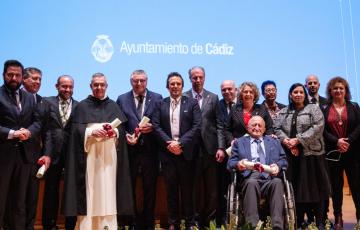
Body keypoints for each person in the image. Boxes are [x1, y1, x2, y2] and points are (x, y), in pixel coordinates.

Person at [63, 73, 134, 229]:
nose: (99, 87)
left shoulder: (114, 106)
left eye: (102, 84)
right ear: (91, 86)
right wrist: (90, 132)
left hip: (109, 159)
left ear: (106, 86)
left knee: (109, 193)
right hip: (89, 159)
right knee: (90, 193)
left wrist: (114, 133)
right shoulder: (81, 106)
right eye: (96, 85)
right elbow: (74, 132)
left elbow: (121, 132)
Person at [274, 83, 330, 229]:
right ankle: (298, 221)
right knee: (296, 190)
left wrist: (298, 140)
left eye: (301, 92)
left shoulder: (313, 109)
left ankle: (319, 221)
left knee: (316, 190)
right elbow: (277, 128)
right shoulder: (284, 111)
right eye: (295, 92)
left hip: (312, 155)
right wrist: (286, 141)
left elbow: (318, 127)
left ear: (305, 95)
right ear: (290, 95)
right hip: (291, 156)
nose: (298, 94)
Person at [152, 72, 201, 230]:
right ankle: (173, 223)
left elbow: (197, 126)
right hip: (167, 155)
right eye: (172, 84)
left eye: (178, 84)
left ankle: (190, 223)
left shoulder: (192, 103)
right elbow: (156, 125)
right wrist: (170, 144)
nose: (175, 86)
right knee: (170, 191)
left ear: (182, 86)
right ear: (167, 86)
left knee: (188, 191)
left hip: (186, 154)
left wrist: (180, 144)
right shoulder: (160, 103)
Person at [116, 70, 162, 230]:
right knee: (130, 187)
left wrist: (154, 128)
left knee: (150, 188)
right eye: (136, 81)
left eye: (142, 81)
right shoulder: (122, 99)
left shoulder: (157, 98)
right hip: (130, 151)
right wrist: (127, 136)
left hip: (151, 151)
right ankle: (133, 221)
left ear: (147, 81)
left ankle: (148, 222)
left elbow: (161, 123)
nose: (139, 84)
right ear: (131, 82)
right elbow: (119, 125)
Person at [0, 60, 41, 230]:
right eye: (10, 75)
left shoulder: (29, 97)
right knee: (1, 199)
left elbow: (38, 122)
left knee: (19, 202)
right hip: (3, 156)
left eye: (17, 75)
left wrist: (30, 131)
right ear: (4, 75)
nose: (14, 78)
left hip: (25, 157)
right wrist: (12, 133)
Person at [183, 66, 226, 228]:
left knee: (212, 190)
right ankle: (193, 221)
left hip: (211, 150)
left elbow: (220, 124)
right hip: (190, 150)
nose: (198, 80)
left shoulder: (213, 97)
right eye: (194, 77)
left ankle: (208, 222)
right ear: (190, 79)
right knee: (193, 189)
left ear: (205, 78)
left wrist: (221, 148)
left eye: (200, 77)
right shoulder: (184, 96)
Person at [227, 116, 287, 229]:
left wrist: (278, 166)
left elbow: (283, 160)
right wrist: (238, 164)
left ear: (264, 129)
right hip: (250, 177)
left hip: (269, 177)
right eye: (254, 125)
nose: (257, 127)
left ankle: (277, 226)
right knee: (251, 183)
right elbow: (230, 163)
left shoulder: (274, 141)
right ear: (248, 128)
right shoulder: (239, 142)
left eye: (260, 125)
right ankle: (252, 226)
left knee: (278, 183)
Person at [322, 76, 360, 228]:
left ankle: (359, 216)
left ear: (345, 91)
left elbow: (359, 126)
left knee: (357, 186)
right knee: (336, 187)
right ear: (330, 91)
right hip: (333, 153)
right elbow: (323, 130)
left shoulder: (354, 106)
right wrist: (337, 141)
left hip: (353, 153)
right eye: (335, 88)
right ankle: (338, 217)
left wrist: (348, 140)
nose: (338, 90)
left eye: (341, 88)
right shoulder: (324, 108)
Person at [42, 75, 78, 230]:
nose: (67, 90)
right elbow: (44, 129)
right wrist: (46, 153)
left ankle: (71, 225)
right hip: (52, 153)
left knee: (71, 191)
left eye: (70, 87)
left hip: (72, 155)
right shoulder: (47, 102)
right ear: (57, 86)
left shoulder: (79, 105)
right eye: (64, 86)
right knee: (51, 190)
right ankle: (48, 224)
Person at [22, 67, 51, 230]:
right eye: (34, 78)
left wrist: (47, 154)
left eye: (39, 79)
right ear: (23, 80)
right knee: (15, 199)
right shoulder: (14, 99)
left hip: (35, 158)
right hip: (14, 156)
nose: (38, 82)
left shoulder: (42, 102)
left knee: (32, 199)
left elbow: (47, 132)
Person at [225, 81, 273, 147]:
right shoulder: (234, 109)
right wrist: (231, 140)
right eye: (245, 92)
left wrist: (268, 139)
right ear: (241, 94)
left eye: (251, 92)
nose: (248, 94)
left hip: (259, 145)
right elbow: (227, 129)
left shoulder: (262, 108)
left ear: (255, 95)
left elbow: (269, 128)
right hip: (239, 146)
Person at [216, 80, 237, 227]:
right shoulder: (219, 105)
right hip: (226, 151)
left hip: (244, 151)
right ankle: (223, 220)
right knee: (223, 186)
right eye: (223, 90)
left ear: (236, 90)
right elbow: (219, 128)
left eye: (230, 89)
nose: (227, 92)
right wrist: (222, 148)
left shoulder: (243, 103)